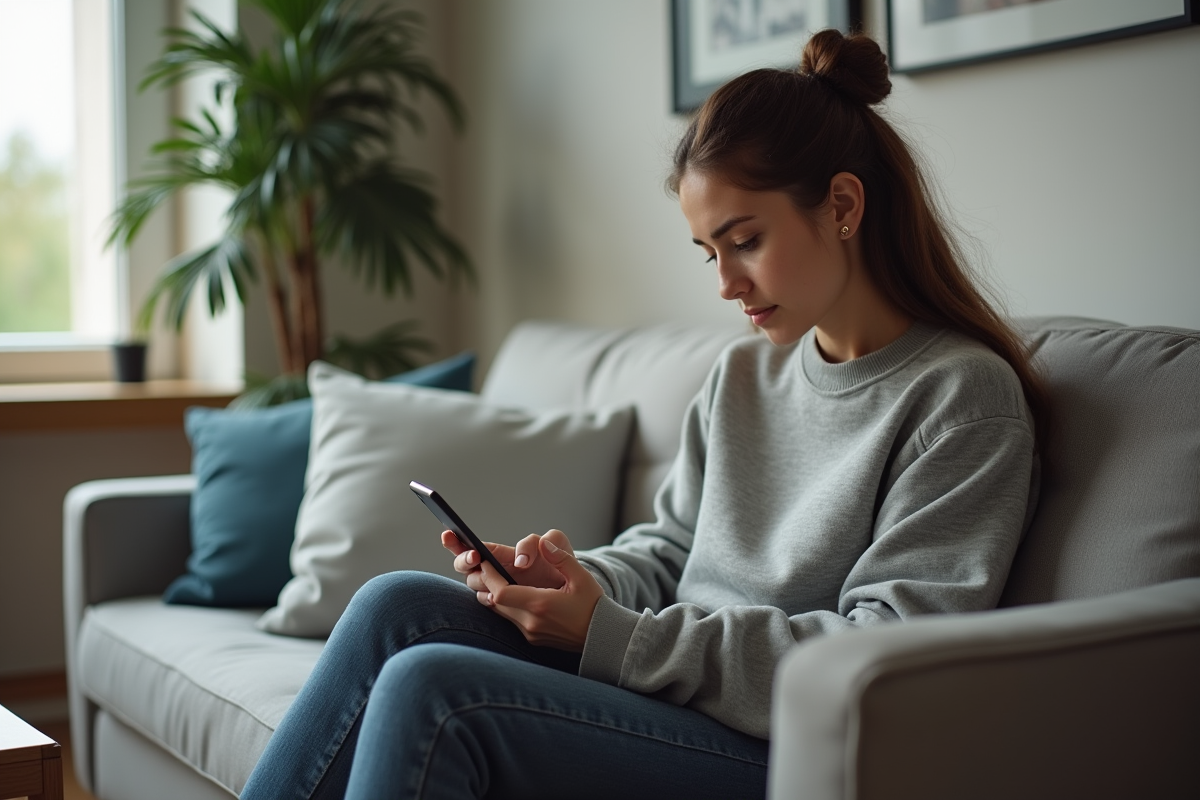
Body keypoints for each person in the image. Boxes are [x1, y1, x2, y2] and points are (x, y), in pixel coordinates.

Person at [240, 29, 1043, 800]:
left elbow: (880, 657)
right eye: (710, 252)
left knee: (433, 688)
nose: (725, 283)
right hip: (675, 695)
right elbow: (670, 554)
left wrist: (616, 637)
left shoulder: (961, 399)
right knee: (396, 604)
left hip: (780, 749)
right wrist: (571, 583)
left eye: (745, 240)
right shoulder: (743, 376)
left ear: (841, 204)